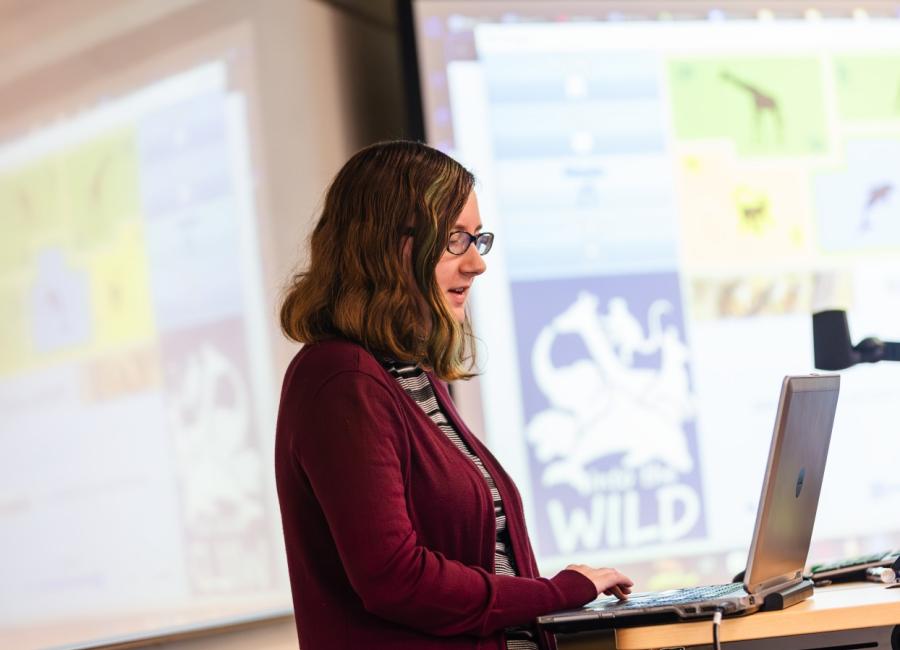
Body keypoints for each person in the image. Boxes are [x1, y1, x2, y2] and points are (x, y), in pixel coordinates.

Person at [274, 140, 633, 650]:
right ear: (388, 245)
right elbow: (396, 579)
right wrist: (552, 594)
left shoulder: (407, 373)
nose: (476, 264)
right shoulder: (341, 379)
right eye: (453, 240)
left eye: (476, 239)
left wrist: (551, 595)